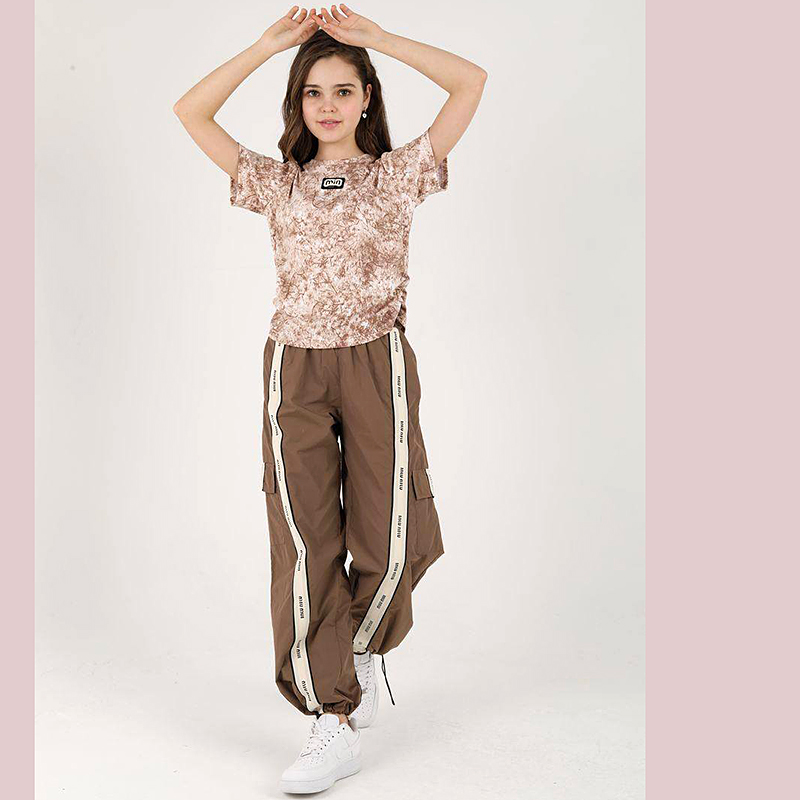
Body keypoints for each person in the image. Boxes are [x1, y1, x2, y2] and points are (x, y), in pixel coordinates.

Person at [173, 4, 486, 793]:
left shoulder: (397, 175)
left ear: (366, 98)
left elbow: (471, 82)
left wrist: (377, 40)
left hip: (377, 360)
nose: (328, 104)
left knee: (394, 535)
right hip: (296, 368)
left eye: (344, 90)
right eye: (313, 91)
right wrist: (265, 45)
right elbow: (191, 111)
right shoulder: (276, 183)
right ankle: (331, 717)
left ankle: (363, 645)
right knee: (305, 541)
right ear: (298, 102)